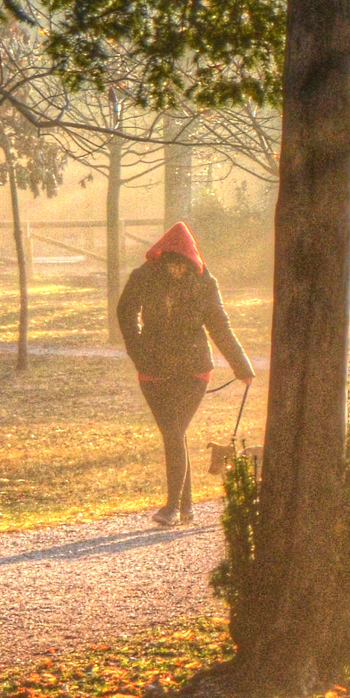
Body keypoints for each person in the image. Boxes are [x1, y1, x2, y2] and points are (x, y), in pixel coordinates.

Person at [114, 221, 254, 526]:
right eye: (173, 264)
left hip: (194, 369)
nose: (178, 271)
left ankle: (173, 507)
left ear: (192, 263)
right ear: (162, 259)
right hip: (153, 367)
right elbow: (125, 311)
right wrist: (136, 350)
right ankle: (185, 507)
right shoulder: (143, 277)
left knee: (174, 432)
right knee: (174, 432)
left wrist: (241, 366)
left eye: (184, 265)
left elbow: (219, 325)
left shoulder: (205, 282)